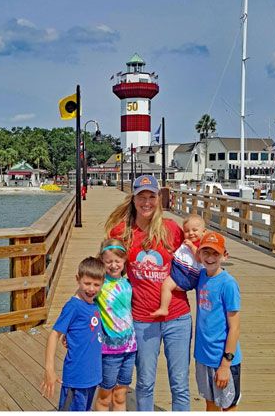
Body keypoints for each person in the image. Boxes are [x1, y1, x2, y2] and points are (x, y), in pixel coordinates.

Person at [104, 174, 192, 411]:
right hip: (142, 319)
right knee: (144, 383)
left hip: (178, 317)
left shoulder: (172, 229)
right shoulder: (122, 231)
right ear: (133, 199)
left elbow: (196, 257)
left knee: (180, 384)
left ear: (158, 199)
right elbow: (105, 269)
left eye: (151, 196)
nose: (146, 202)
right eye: (141, 197)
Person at [41, 256, 105, 411]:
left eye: (96, 285)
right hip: (76, 378)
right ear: (78, 279)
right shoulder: (73, 306)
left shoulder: (94, 304)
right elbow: (54, 335)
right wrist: (49, 369)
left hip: (92, 375)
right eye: (87, 283)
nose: (91, 289)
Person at [191, 231, 242, 411]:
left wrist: (225, 364)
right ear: (199, 255)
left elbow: (234, 328)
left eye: (215, 253)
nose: (210, 257)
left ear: (224, 255)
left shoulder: (228, 284)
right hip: (203, 356)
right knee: (210, 403)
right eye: (206, 252)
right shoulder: (202, 276)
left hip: (222, 358)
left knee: (228, 406)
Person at [94, 240, 137, 412]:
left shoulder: (128, 284)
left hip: (130, 348)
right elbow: (79, 304)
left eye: (118, 261)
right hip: (109, 351)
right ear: (101, 262)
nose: (113, 265)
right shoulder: (98, 286)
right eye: (108, 261)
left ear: (124, 261)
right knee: (105, 396)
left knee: (120, 395)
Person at [152, 214, 208, 319]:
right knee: (165, 286)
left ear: (204, 232)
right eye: (187, 231)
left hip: (187, 275)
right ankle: (164, 308)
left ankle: (164, 307)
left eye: (195, 230)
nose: (191, 233)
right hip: (180, 270)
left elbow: (200, 259)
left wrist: (191, 246)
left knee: (166, 286)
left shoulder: (202, 244)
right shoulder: (185, 242)